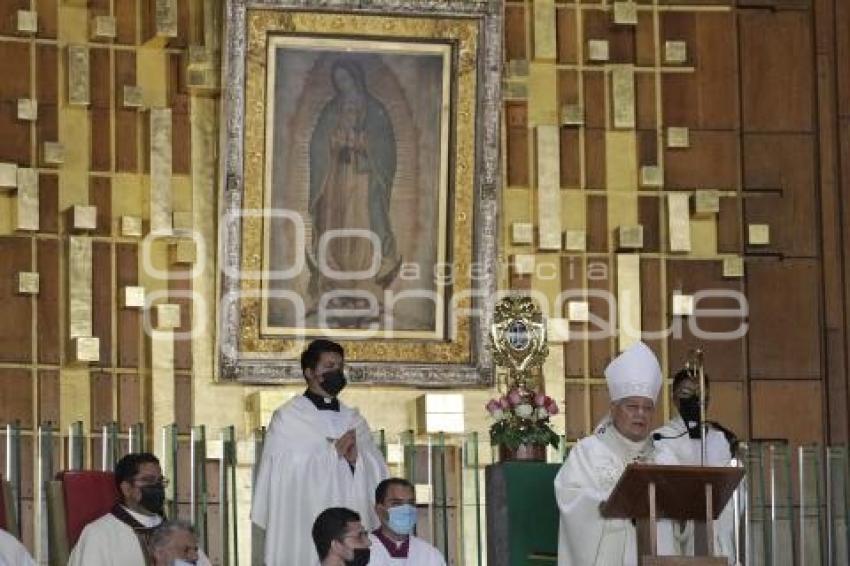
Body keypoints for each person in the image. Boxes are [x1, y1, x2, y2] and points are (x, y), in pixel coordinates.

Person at [251, 339, 389, 565]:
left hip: (350, 521)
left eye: (340, 367)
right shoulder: (288, 417)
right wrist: (331, 455)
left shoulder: (354, 419)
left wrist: (357, 461)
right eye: (329, 366)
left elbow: (379, 470)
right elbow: (278, 474)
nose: (337, 372)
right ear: (309, 372)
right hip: (304, 518)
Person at [554, 340, 672, 566]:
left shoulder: (665, 456)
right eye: (632, 406)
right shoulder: (587, 453)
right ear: (613, 409)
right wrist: (615, 503)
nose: (640, 414)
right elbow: (572, 501)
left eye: (647, 408)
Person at [307, 58, 401, 309]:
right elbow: (318, 144)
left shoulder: (375, 109)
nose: (343, 85)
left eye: (346, 79)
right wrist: (332, 143)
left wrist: (363, 144)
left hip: (363, 179)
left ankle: (363, 286)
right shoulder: (331, 109)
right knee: (335, 223)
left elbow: (385, 147)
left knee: (362, 222)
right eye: (338, 81)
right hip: (336, 177)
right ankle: (333, 285)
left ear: (356, 78)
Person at [653, 368, 738, 563]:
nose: (694, 399)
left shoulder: (719, 439)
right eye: (686, 394)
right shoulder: (662, 437)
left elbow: (731, 488)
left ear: (708, 400)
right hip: (679, 528)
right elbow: (668, 482)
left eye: (700, 395)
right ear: (674, 398)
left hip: (713, 526)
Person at [68, 453, 211, 566]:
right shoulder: (99, 534)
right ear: (127, 488)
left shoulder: (177, 533)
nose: (157, 486)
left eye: (160, 481)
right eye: (148, 480)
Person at [368, 478, 445, 565]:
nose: (406, 509)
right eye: (396, 503)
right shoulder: (363, 551)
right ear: (379, 510)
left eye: (411, 503)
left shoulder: (431, 555)